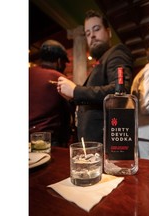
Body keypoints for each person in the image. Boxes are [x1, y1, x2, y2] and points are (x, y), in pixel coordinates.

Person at [57, 10, 133, 143]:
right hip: (93, 141)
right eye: (87, 33)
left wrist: (76, 91)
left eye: (96, 29)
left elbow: (120, 92)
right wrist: (71, 98)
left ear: (108, 32)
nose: (92, 36)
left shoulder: (117, 53)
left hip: (105, 143)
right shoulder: (101, 61)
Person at [29, 39, 73, 147]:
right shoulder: (59, 78)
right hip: (48, 141)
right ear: (59, 61)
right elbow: (69, 112)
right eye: (64, 63)